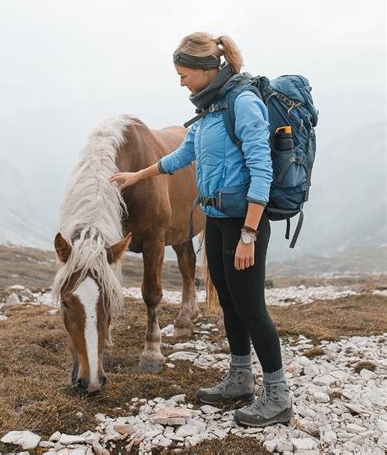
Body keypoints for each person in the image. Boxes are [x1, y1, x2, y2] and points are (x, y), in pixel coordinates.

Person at [109, 31, 293, 427]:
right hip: (216, 218)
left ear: (206, 70)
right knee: (228, 301)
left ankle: (278, 396)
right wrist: (136, 175)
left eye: (183, 74)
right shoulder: (211, 108)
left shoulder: (243, 103)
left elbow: (262, 171)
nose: (180, 82)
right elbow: (183, 155)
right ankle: (240, 379)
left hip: (244, 223)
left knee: (252, 308)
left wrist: (249, 234)